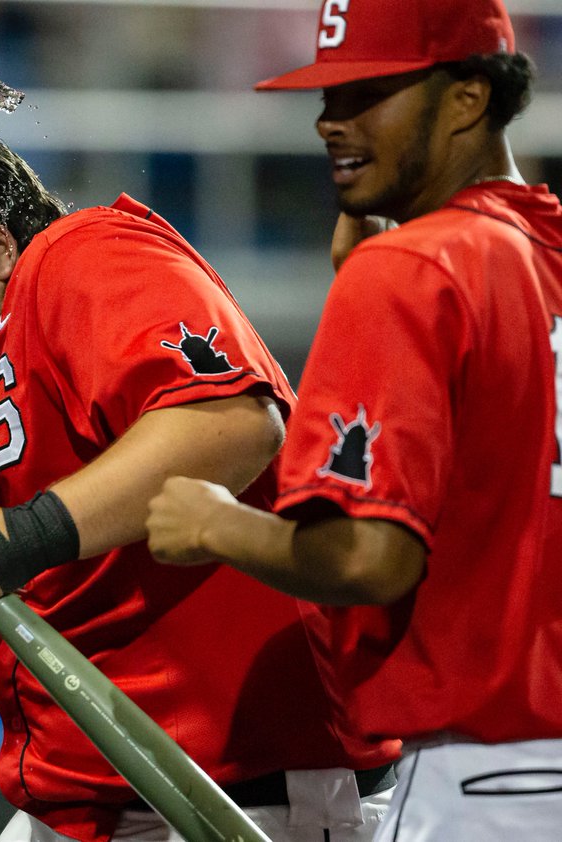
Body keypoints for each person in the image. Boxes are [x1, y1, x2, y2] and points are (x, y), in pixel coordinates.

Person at [0, 126, 401, 842]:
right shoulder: (15, 353)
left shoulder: (83, 254)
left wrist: (24, 533)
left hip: (223, 793)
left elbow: (232, 423)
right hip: (110, 794)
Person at [146, 1, 562, 839]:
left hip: (484, 778)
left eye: (367, 92)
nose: (330, 123)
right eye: (327, 97)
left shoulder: (410, 269)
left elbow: (371, 560)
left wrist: (216, 524)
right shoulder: (533, 251)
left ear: (468, 99)